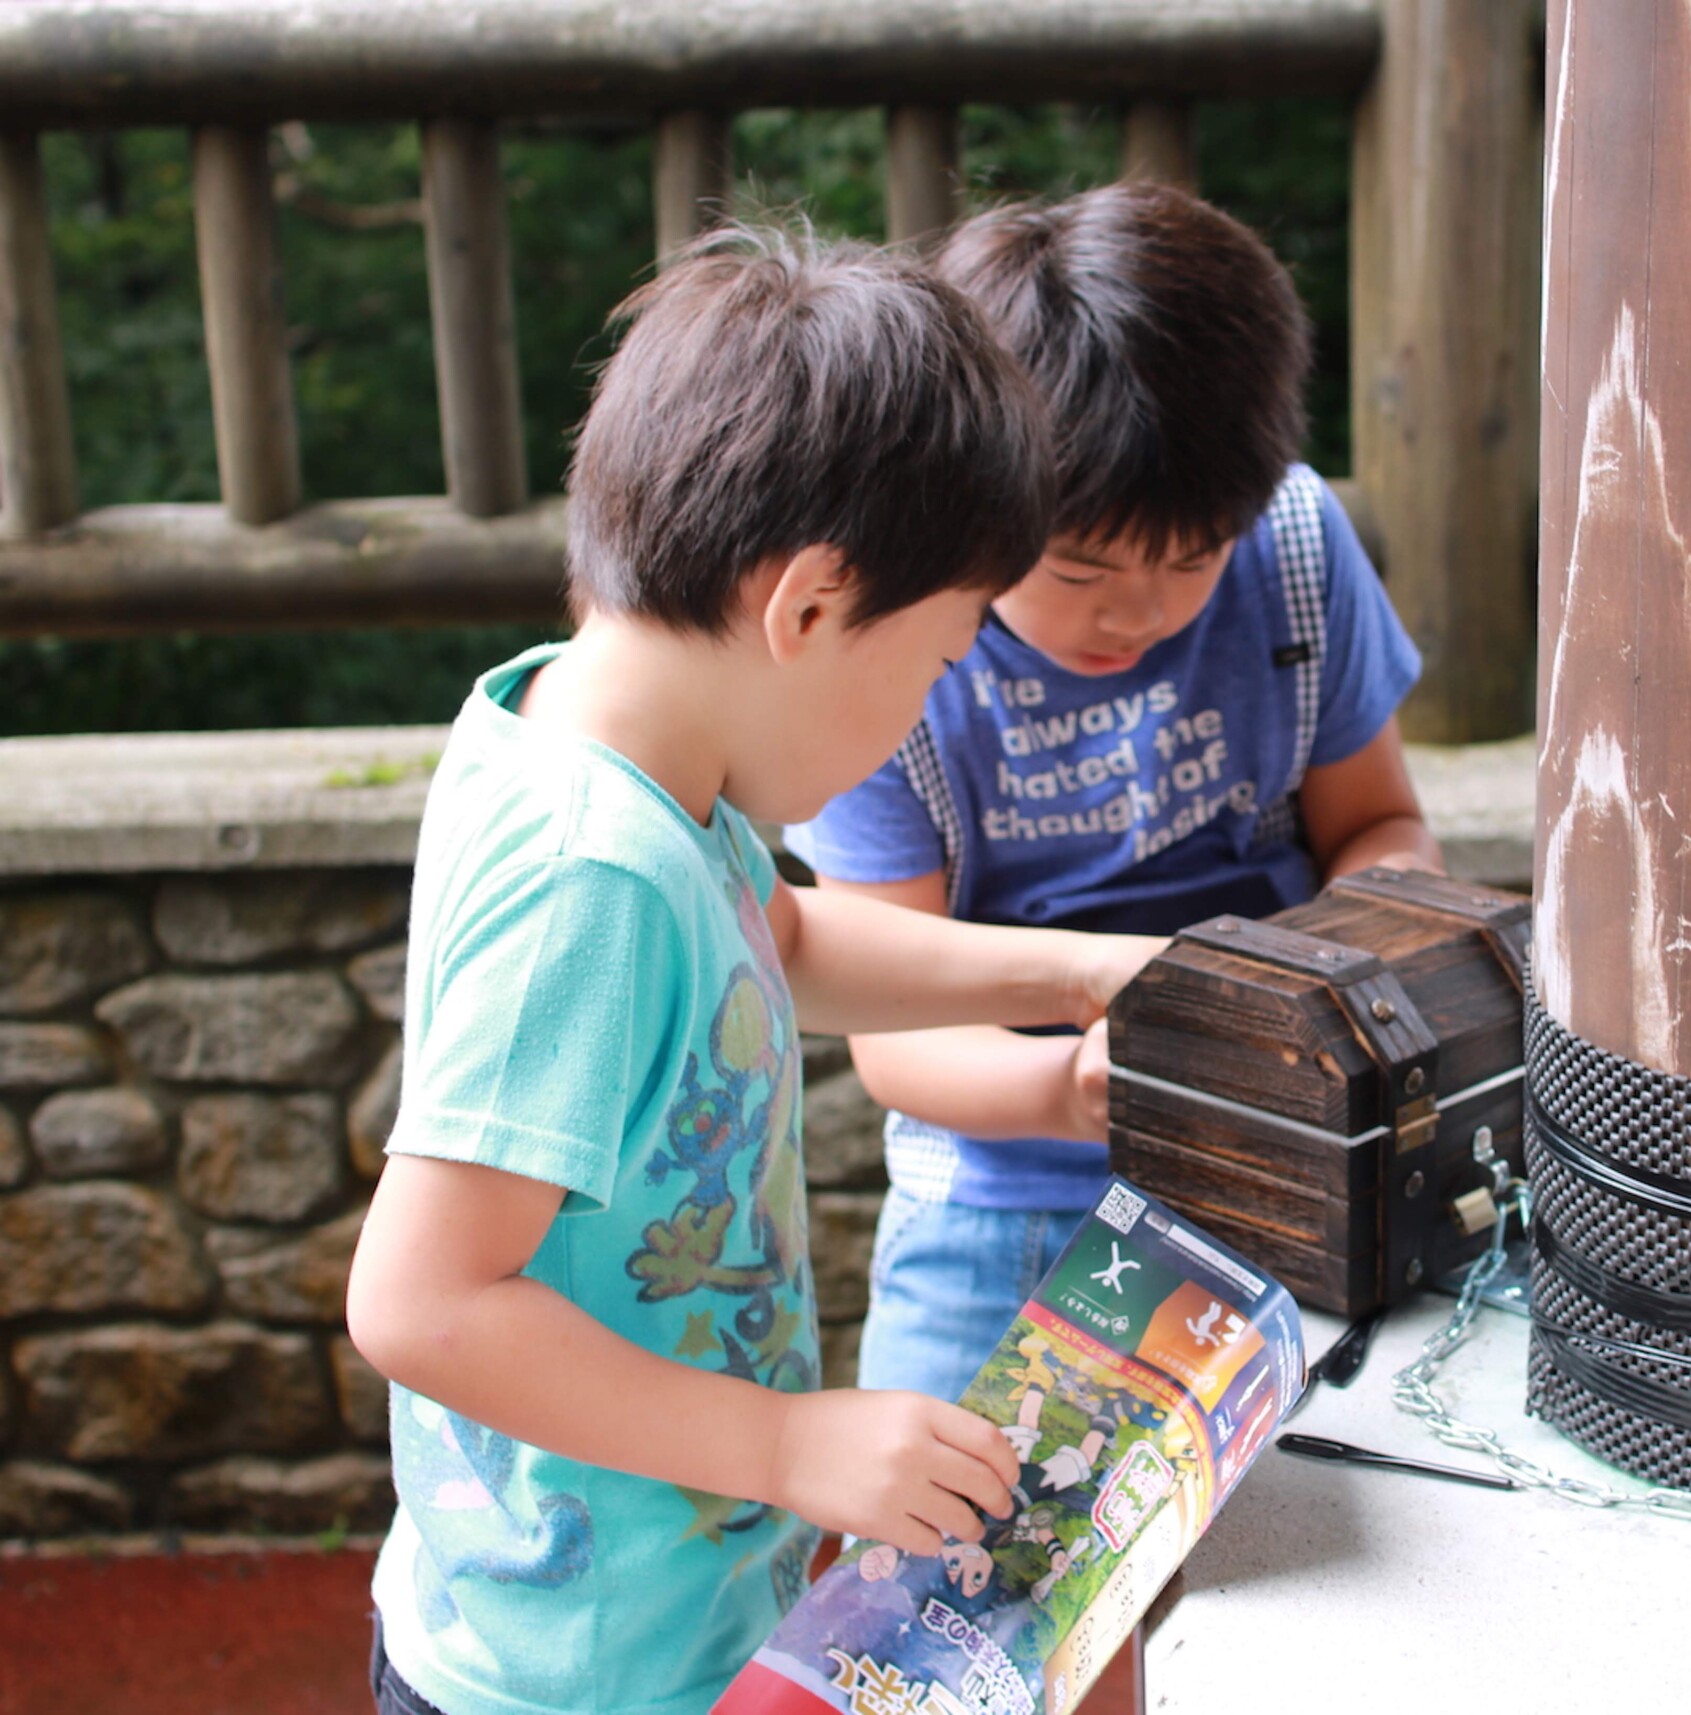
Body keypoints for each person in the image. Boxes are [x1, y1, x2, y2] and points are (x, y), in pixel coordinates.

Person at [343, 226, 1161, 1715]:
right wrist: (789, 1446)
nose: (936, 696)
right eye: (939, 657)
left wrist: (1082, 969)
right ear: (809, 606)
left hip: (663, 1598)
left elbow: (775, 942)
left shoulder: (627, 748)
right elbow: (420, 1298)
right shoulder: (591, 874)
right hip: (577, 1663)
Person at [785, 181, 1443, 1405]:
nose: (1140, 613)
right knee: (951, 1561)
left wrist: (1355, 952)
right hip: (1002, 1185)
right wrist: (1069, 1090)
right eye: (1079, 566)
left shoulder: (1294, 552)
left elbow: (1377, 821)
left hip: (1288, 1153)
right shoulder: (896, 648)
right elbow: (890, 1013)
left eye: (1193, 559)